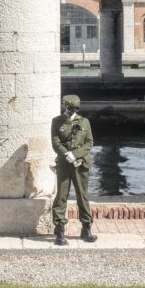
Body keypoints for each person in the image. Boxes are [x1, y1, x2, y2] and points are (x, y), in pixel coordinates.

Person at [50, 94, 97, 246]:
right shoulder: (57, 121)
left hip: (80, 164)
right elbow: (56, 143)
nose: (72, 112)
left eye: (75, 110)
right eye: (70, 109)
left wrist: (75, 154)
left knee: (82, 196)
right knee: (61, 196)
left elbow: (89, 143)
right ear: (65, 107)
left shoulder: (84, 122)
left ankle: (86, 228)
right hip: (64, 164)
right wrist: (66, 154)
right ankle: (60, 230)